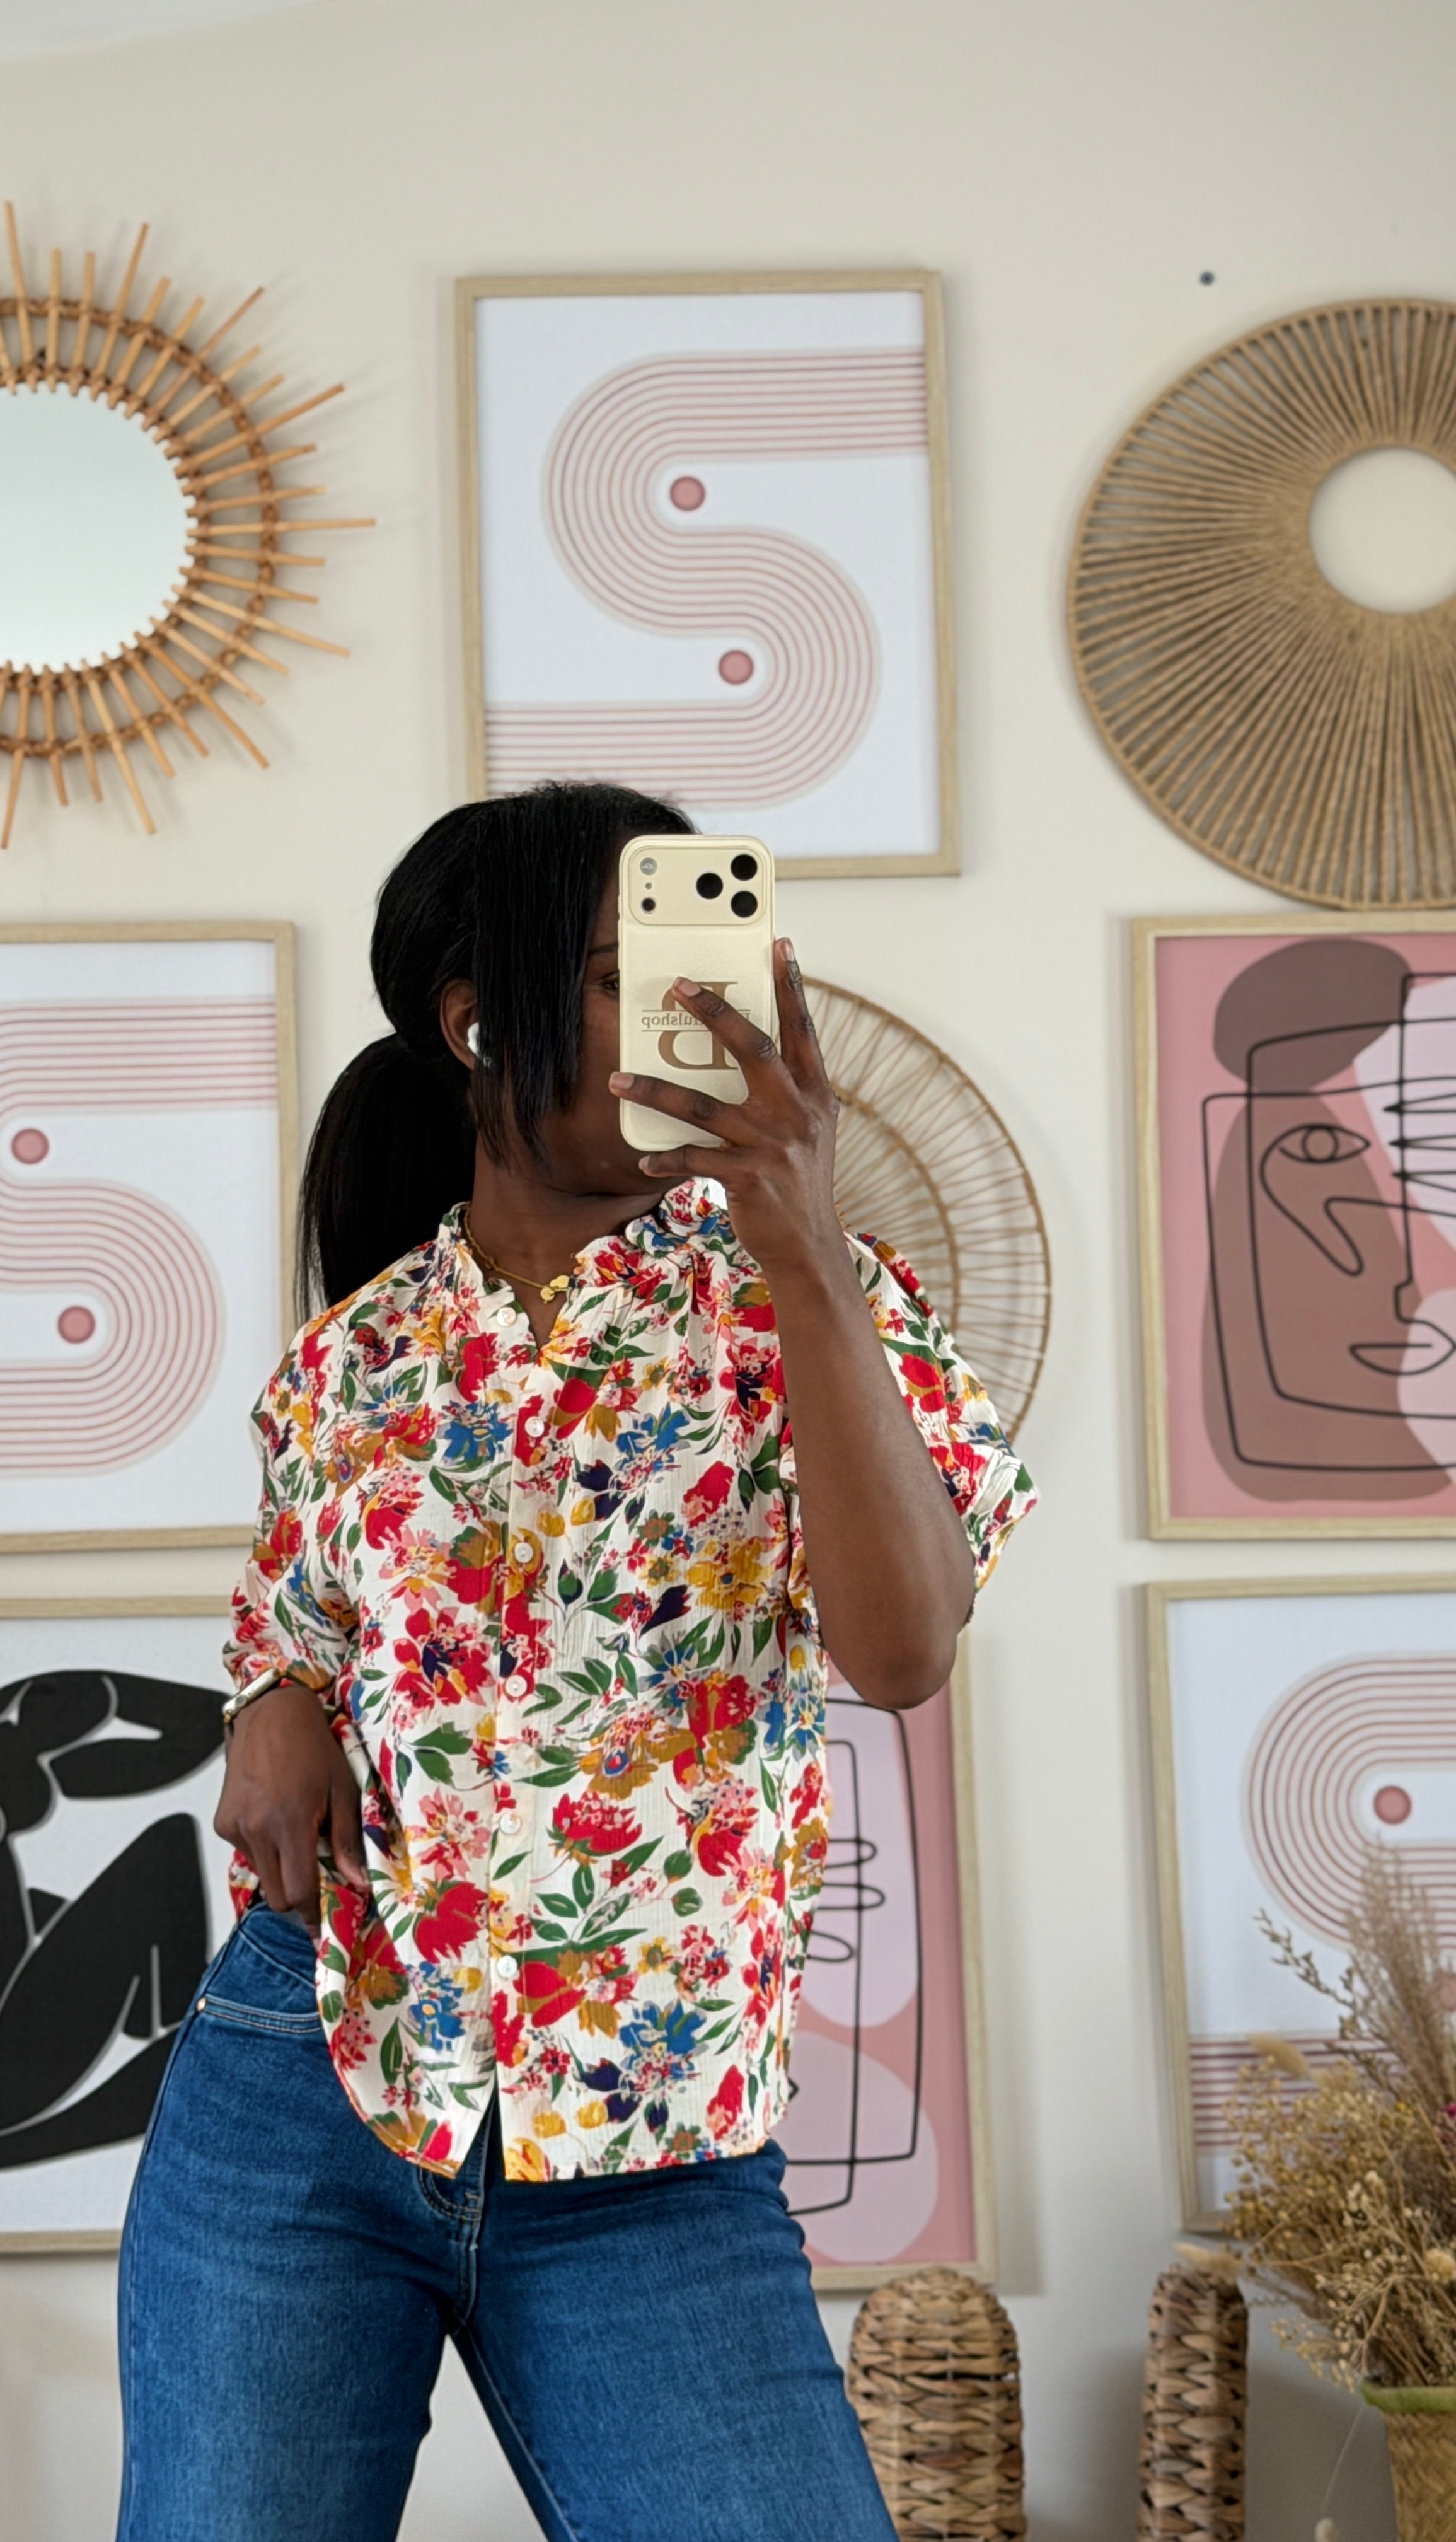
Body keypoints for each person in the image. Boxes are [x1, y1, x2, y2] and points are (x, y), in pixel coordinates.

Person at [115, 783, 1035, 2542]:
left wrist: (798, 1239)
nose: (696, 1012)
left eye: (712, 964)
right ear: (479, 1022)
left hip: (653, 2152)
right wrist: (273, 1699)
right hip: (306, 2080)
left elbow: (906, 1650)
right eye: (629, 974)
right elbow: (298, 1611)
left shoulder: (820, 1303)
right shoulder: (351, 1360)